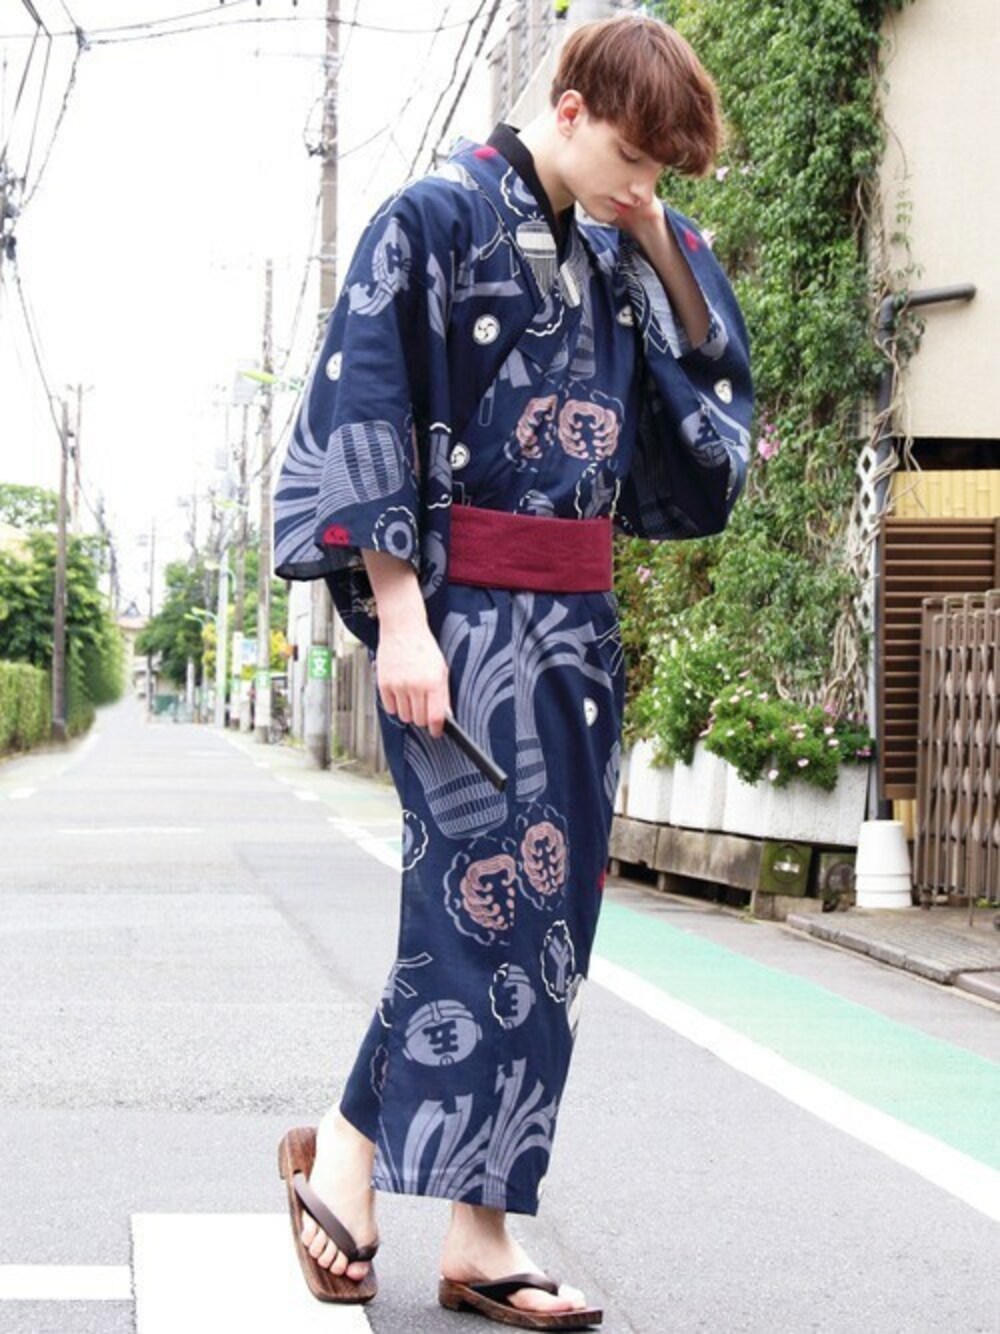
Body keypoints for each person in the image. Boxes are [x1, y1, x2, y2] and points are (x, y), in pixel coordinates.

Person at [273, 12, 753, 1329]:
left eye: (662, 173)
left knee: (549, 930)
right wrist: (400, 615)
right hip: (460, 620)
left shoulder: (616, 251)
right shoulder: (431, 219)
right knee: (469, 907)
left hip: (577, 630)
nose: (642, 186)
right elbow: (365, 407)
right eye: (635, 158)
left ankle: (477, 1230)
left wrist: (658, 235)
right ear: (574, 106)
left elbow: (706, 406)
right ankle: (351, 1164)